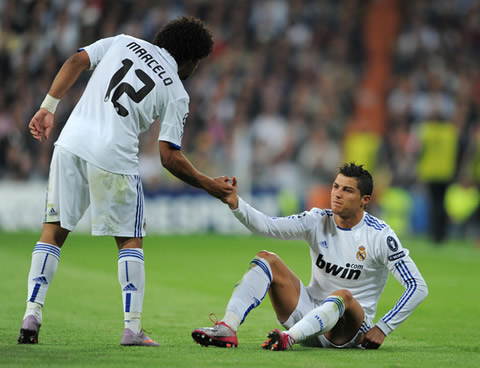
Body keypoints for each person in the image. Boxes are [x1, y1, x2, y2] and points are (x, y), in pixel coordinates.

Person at [18, 16, 233, 346]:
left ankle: (32, 314)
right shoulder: (177, 91)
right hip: (114, 156)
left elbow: (76, 60)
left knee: (53, 231)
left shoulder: (122, 41)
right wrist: (209, 184)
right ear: (191, 59)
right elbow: (169, 157)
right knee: (130, 240)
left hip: (71, 142)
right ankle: (132, 328)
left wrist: (48, 107)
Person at [192, 163, 428, 350]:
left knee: (342, 296)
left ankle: (287, 338)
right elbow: (267, 226)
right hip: (305, 314)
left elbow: (417, 286)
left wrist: (383, 327)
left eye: (347, 190)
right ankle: (227, 328)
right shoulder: (317, 220)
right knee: (267, 258)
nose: (337, 194)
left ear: (365, 200)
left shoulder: (379, 236)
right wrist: (236, 203)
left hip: (347, 331)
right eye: (335, 186)